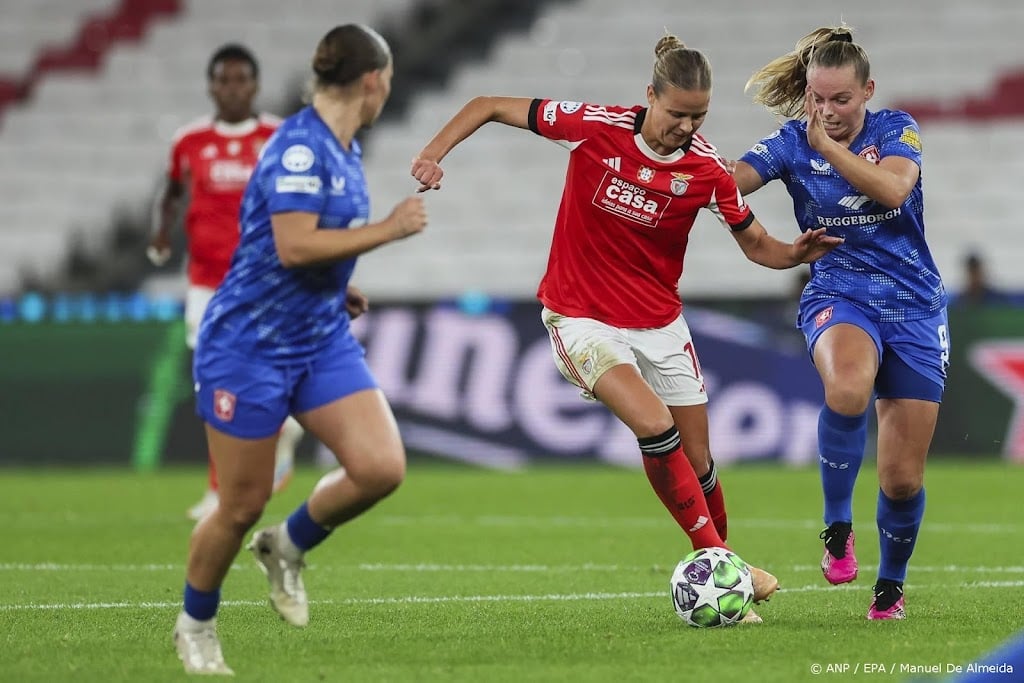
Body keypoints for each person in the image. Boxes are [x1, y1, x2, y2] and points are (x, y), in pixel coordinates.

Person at [411, 33, 842, 624]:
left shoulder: (707, 170)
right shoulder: (594, 125)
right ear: (650, 97)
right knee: (654, 426)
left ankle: (727, 575)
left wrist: (796, 253)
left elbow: (758, 245)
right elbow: (486, 103)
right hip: (581, 317)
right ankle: (720, 563)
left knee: (700, 461)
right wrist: (435, 153)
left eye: (698, 116)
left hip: (661, 324)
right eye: (675, 114)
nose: (685, 127)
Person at [172, 24, 428, 675]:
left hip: (317, 335)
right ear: (373, 80)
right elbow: (292, 243)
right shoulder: (300, 148)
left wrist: (341, 285)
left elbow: (289, 241)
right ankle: (195, 624)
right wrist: (387, 230)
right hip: (250, 346)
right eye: (388, 82)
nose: (387, 92)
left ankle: (286, 545)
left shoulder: (345, 146)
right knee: (238, 503)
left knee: (380, 466)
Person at [733, 26, 949, 620]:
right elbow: (726, 183)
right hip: (838, 291)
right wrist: (667, 160)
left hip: (914, 305)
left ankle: (890, 588)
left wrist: (828, 149)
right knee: (848, 387)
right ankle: (836, 526)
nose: (826, 112)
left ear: (867, 92)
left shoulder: (895, 129)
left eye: (840, 100)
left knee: (902, 480)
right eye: (816, 99)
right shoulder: (788, 142)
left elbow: (895, 190)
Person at [148, 43, 301, 521]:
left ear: (254, 85)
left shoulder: (279, 136)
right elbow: (172, 191)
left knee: (264, 374)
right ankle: (220, 488)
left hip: (264, 281)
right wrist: (160, 233)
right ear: (212, 86)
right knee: (212, 381)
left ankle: (283, 429)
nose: (232, 88)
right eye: (223, 80)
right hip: (206, 283)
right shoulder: (189, 140)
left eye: (241, 79)